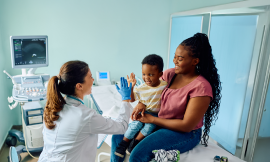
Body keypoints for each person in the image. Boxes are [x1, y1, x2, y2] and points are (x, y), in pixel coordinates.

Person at [110, 33, 222, 162]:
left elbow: (186, 126)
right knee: (118, 135)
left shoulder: (201, 87)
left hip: (184, 132)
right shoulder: (170, 74)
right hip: (159, 122)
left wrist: (152, 120)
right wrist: (142, 103)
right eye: (174, 57)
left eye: (179, 59)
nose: (174, 61)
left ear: (195, 61)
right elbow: (152, 91)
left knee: (137, 154)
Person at [38, 60, 133, 162]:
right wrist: (125, 99)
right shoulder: (85, 115)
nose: (93, 80)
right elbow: (122, 127)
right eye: (90, 77)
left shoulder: (52, 107)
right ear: (79, 86)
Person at [114, 54, 167, 157]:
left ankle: (135, 143)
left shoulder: (165, 85)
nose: (146, 78)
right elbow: (132, 99)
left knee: (149, 127)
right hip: (144, 112)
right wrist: (131, 88)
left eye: (151, 74)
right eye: (143, 74)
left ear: (160, 74)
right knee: (135, 125)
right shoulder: (141, 88)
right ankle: (123, 143)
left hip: (155, 115)